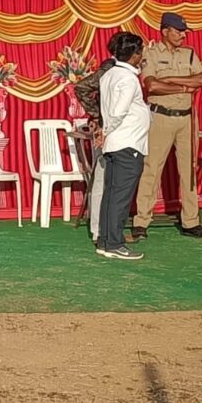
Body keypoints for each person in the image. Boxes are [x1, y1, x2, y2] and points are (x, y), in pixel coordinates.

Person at [133, 12, 202, 240]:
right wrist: (186, 87)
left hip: (186, 118)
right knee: (151, 168)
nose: (182, 35)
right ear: (165, 31)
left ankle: (191, 221)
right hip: (161, 117)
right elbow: (152, 86)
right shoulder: (152, 53)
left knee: (189, 170)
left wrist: (172, 81)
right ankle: (141, 221)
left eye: (184, 31)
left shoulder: (190, 54)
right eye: (178, 31)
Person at [97, 32, 150, 260]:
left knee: (111, 194)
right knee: (120, 196)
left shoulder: (109, 74)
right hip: (127, 143)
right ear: (135, 55)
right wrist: (108, 129)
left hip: (116, 143)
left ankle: (106, 240)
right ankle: (115, 243)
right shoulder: (127, 79)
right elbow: (118, 111)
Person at [73, 33, 129, 245]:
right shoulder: (110, 69)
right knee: (103, 180)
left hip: (124, 130)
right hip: (108, 129)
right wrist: (97, 115)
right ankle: (99, 230)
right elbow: (82, 87)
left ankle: (110, 228)